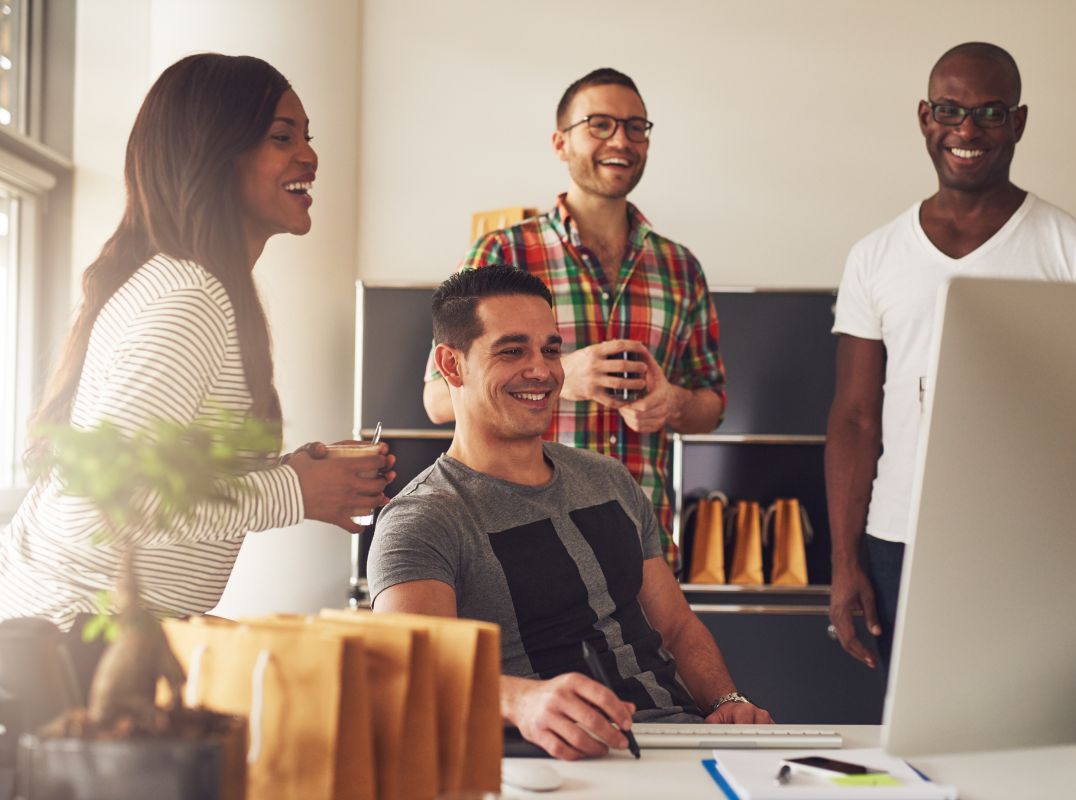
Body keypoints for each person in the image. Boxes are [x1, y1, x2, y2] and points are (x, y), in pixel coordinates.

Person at [0, 54, 394, 635]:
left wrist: (294, 475)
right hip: (72, 638)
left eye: (306, 137)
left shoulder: (197, 287)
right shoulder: (190, 299)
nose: (309, 156)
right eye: (281, 137)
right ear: (213, 154)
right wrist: (291, 491)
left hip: (90, 631)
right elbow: (110, 498)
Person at [371, 267, 770, 761]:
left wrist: (727, 702)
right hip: (558, 759)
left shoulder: (608, 479)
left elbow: (677, 626)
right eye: (512, 351)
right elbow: (409, 670)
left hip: (682, 744)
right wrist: (522, 701)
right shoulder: (422, 519)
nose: (542, 370)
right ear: (451, 366)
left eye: (551, 350)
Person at [825, 42, 1076, 683]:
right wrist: (844, 559)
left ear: (1018, 123)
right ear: (924, 117)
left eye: (990, 113)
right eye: (951, 109)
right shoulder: (876, 255)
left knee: (1030, 746)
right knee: (913, 749)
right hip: (899, 543)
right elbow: (855, 419)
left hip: (1033, 544)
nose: (967, 130)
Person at [422, 68, 725, 559]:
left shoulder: (680, 266)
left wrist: (671, 402)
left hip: (642, 547)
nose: (621, 140)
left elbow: (712, 407)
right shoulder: (502, 251)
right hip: (522, 542)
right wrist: (565, 377)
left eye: (635, 126)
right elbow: (438, 400)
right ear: (561, 143)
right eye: (600, 124)